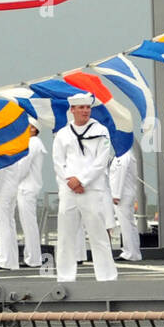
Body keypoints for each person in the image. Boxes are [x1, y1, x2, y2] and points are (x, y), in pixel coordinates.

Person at [51, 92, 117, 282]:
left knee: (98, 234)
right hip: (68, 189)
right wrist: (70, 181)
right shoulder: (63, 134)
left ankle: (106, 276)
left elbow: (101, 160)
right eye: (81, 107)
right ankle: (65, 276)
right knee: (65, 235)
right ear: (72, 110)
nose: (85, 111)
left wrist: (82, 180)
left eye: (87, 107)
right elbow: (58, 162)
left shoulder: (101, 130)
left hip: (92, 188)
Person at [0, 146, 26, 271]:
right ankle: (12, 260)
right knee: (9, 225)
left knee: (3, 226)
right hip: (11, 190)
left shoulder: (1, 151)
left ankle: (4, 260)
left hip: (2, 192)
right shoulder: (12, 151)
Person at [17, 123, 46, 267]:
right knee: (28, 224)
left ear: (34, 129)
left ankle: (34, 258)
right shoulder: (33, 143)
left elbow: (23, 165)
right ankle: (31, 256)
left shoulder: (32, 142)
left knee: (29, 224)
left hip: (26, 187)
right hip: (27, 187)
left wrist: (13, 179)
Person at [109, 149, 142, 261]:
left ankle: (129, 252)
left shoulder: (123, 155)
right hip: (126, 193)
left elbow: (120, 175)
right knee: (129, 224)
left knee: (126, 225)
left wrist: (116, 195)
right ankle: (134, 252)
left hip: (122, 195)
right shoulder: (127, 153)